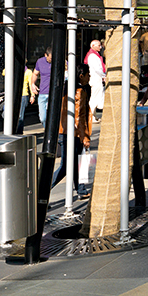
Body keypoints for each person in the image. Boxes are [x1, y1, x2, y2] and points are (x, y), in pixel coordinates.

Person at [51, 64, 92, 198]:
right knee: (65, 166)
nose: (89, 77)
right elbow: (79, 116)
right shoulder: (79, 91)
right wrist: (84, 136)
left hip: (65, 131)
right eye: (88, 74)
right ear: (81, 76)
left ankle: (81, 189)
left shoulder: (67, 87)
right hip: (72, 133)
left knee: (73, 162)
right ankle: (41, 193)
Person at [30, 48, 54, 127]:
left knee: (53, 117)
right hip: (43, 93)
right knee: (43, 118)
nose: (52, 60)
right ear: (45, 55)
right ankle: (47, 131)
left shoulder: (59, 61)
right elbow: (35, 73)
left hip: (53, 93)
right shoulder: (40, 62)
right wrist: (32, 84)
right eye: (50, 58)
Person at [85, 39, 107, 119]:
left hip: (97, 78)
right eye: (98, 45)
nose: (100, 47)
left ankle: (92, 116)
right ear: (93, 46)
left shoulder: (95, 55)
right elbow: (97, 69)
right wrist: (103, 76)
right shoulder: (92, 56)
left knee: (96, 97)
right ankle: (90, 116)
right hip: (96, 79)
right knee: (94, 99)